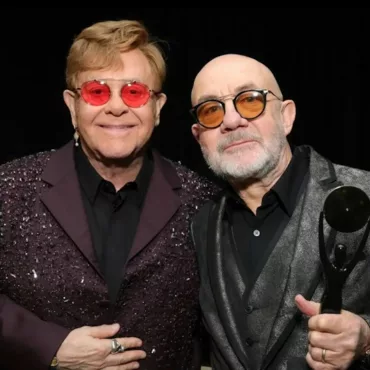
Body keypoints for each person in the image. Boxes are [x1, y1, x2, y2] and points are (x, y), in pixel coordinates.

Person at [0, 19, 217, 370]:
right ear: (73, 105)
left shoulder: (203, 201)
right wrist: (49, 347)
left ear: (157, 107)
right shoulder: (9, 188)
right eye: (97, 92)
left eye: (134, 92)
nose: (116, 107)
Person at [189, 53, 370, 370]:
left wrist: (367, 340)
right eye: (211, 110)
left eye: (249, 101)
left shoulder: (365, 193)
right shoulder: (199, 222)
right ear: (198, 136)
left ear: (286, 116)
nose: (231, 121)